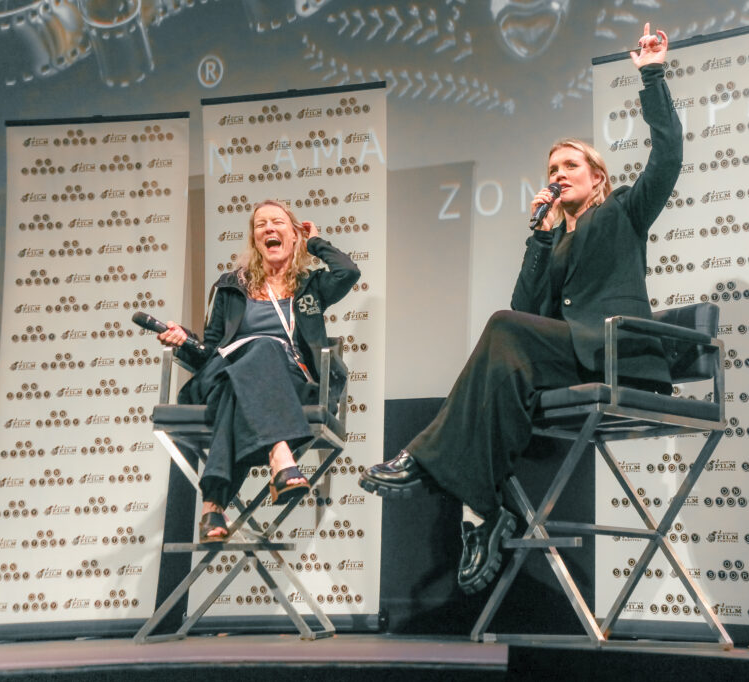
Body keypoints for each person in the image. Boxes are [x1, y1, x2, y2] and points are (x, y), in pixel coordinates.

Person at [359, 23, 682, 593]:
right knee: (504, 363)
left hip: (612, 350)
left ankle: (431, 467)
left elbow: (668, 153)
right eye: (552, 170)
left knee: (504, 339)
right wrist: (538, 238)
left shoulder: (626, 210)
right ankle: (482, 515)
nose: (557, 176)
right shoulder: (554, 240)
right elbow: (522, 309)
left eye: (569, 168)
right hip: (568, 355)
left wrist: (652, 74)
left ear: (598, 178)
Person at [157, 199, 361, 542]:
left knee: (243, 378)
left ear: (293, 235)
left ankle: (212, 507)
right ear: (254, 240)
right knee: (252, 357)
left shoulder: (310, 286)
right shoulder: (229, 286)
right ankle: (279, 456)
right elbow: (210, 350)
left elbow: (348, 272)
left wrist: (316, 242)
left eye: (278, 222)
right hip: (226, 370)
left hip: (289, 383)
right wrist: (184, 341)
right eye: (260, 224)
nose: (269, 229)